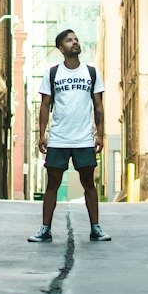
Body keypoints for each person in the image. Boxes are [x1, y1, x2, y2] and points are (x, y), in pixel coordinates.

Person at [28, 28, 112, 243]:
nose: (74, 42)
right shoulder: (53, 73)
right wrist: (42, 134)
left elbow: (98, 106)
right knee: (52, 183)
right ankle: (45, 229)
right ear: (60, 48)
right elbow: (45, 105)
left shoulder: (91, 73)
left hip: (84, 139)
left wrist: (100, 135)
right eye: (68, 40)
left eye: (76, 39)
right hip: (58, 138)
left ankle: (96, 228)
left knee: (88, 183)